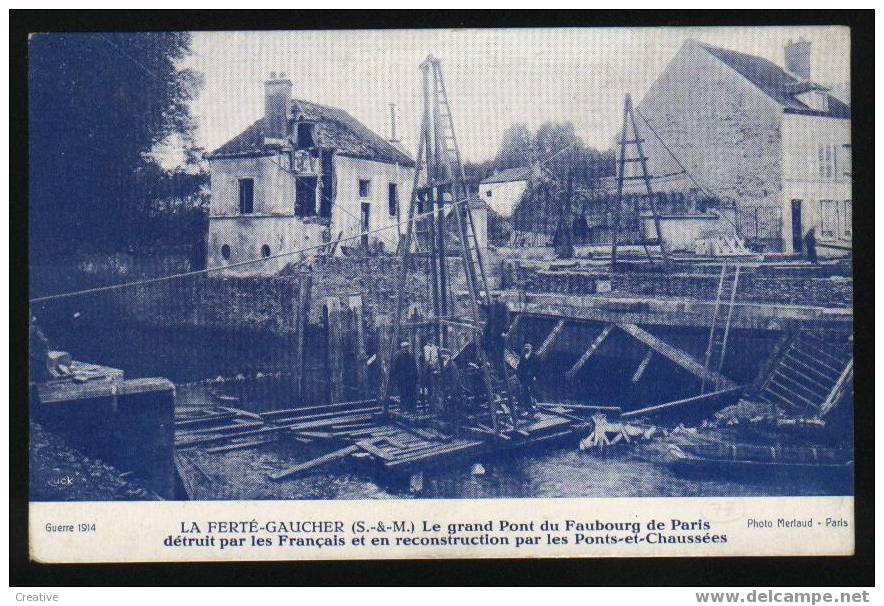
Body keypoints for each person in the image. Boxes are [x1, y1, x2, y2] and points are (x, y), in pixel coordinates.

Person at [481, 292, 511, 378]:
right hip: (491, 333)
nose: (495, 299)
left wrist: (504, 331)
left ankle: (501, 375)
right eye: (493, 297)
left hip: (499, 333)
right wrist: (482, 304)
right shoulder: (492, 306)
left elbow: (507, 320)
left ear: (500, 297)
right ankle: (492, 369)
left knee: (499, 355)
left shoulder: (504, 306)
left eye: (497, 297)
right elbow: (487, 310)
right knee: (490, 351)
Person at [391, 341, 418, 413]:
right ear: (401, 348)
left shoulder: (411, 356)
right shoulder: (398, 356)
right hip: (402, 379)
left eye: (407, 347)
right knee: (403, 394)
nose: (406, 349)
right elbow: (395, 368)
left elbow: (414, 367)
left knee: (410, 393)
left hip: (410, 379)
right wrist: (396, 377)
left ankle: (411, 408)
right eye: (404, 347)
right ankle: (403, 408)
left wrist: (416, 377)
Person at [515, 343, 538, 416]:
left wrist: (534, 376)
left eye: (528, 347)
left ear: (531, 348)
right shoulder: (522, 357)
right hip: (524, 378)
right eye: (525, 347)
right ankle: (527, 409)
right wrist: (519, 374)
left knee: (531, 393)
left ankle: (532, 409)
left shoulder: (534, 356)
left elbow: (536, 367)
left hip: (531, 378)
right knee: (525, 393)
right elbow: (519, 367)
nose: (526, 348)